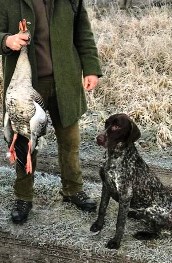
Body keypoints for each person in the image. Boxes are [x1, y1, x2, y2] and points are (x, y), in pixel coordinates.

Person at [0, 0, 102, 224]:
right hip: (27, 85)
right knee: (25, 144)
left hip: (65, 82)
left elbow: (83, 33)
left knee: (70, 140)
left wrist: (91, 68)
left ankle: (73, 190)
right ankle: (23, 197)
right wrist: (7, 40)